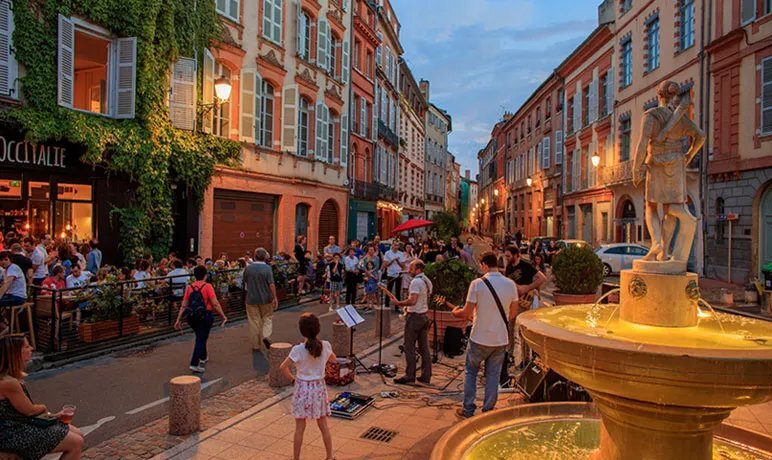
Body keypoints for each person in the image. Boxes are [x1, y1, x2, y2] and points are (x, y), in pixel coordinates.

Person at [446, 252, 520, 418]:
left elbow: (466, 313)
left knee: (471, 372)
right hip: (500, 338)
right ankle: (488, 410)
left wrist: (455, 312)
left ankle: (468, 408)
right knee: (493, 375)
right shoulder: (510, 284)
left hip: (479, 337)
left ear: (485, 265)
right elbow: (513, 312)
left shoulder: (477, 284)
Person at [0, 335, 84, 460]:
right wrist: (44, 407)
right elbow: (30, 411)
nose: (32, 348)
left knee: (78, 434)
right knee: (76, 442)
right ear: (15, 352)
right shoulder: (8, 382)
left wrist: (55, 416)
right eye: (27, 346)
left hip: (20, 425)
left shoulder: (11, 377)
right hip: (12, 433)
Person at [280, 313, 335, 460]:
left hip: (302, 388)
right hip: (319, 388)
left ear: (301, 330)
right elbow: (334, 360)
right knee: (323, 424)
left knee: (299, 427)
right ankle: (329, 456)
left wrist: (293, 380)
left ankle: (296, 458)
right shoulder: (326, 345)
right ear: (318, 329)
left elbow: (283, 367)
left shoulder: (298, 350)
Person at [380, 259, 433, 385]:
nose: (409, 270)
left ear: (418, 269)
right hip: (424, 316)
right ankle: (426, 375)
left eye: (411, 268)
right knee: (424, 348)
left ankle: (410, 375)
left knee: (409, 347)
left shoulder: (415, 281)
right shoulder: (427, 280)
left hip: (415, 317)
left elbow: (413, 300)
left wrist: (399, 303)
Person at [174, 265, 227, 373]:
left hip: (192, 316)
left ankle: (203, 356)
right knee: (201, 338)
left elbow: (184, 305)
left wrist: (178, 319)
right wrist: (223, 316)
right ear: (205, 275)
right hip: (205, 314)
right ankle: (194, 363)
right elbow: (215, 303)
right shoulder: (208, 286)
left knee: (200, 336)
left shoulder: (190, 287)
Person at [243, 248, 278, 352]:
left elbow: (245, 280)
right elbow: (271, 284)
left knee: (254, 321)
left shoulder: (248, 268)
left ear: (255, 256)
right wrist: (274, 297)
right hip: (266, 298)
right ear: (265, 257)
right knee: (267, 318)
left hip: (251, 298)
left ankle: (255, 345)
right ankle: (266, 335)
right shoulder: (267, 269)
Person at [382, 242, 407, 311]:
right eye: (395, 245)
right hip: (390, 273)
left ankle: (397, 306)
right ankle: (387, 305)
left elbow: (403, 266)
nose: (396, 246)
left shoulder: (401, 254)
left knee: (398, 291)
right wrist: (392, 261)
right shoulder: (388, 253)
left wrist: (398, 261)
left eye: (397, 245)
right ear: (392, 245)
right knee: (389, 290)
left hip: (398, 273)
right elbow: (386, 264)